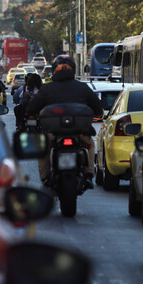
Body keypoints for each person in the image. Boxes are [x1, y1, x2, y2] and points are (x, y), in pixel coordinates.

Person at [26, 55, 102, 190]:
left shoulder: (47, 89)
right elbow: (98, 109)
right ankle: (89, 175)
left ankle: (45, 178)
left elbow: (31, 109)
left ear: (55, 70)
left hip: (53, 133)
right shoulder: (83, 87)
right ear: (73, 69)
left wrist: (32, 117)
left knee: (42, 149)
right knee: (90, 145)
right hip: (79, 133)